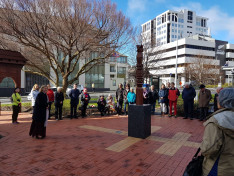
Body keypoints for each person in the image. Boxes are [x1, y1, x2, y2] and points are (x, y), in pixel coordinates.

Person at [200, 88, 234, 176]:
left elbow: (208, 149)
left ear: (223, 100)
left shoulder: (216, 121)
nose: (217, 98)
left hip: (219, 168)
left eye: (219, 96)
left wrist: (202, 146)